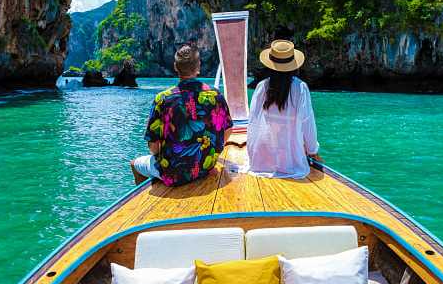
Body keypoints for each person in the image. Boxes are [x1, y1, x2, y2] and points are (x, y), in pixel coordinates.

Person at [131, 44, 233, 186]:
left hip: (173, 174)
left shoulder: (163, 99)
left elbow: (153, 146)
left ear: (175, 67)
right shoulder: (215, 95)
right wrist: (210, 155)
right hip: (206, 166)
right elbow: (228, 130)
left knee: (135, 164)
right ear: (198, 67)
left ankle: (147, 196)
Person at [246, 39, 321, 178]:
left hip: (261, 162)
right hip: (291, 163)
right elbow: (307, 123)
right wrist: (313, 151)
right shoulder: (300, 88)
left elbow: (253, 123)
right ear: (293, 66)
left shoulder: (262, 87)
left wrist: (252, 157)